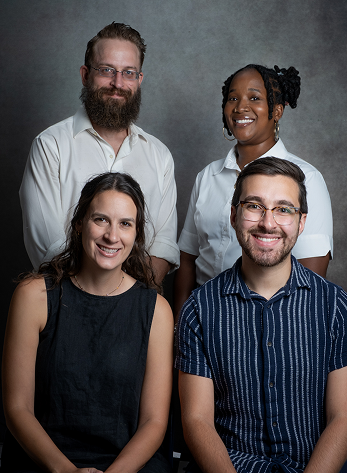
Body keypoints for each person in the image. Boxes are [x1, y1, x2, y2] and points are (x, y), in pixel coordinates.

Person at [175, 157, 347, 473]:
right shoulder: (199, 310)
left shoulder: (336, 307)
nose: (268, 223)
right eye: (254, 206)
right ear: (233, 214)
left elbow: (343, 419)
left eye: (284, 209)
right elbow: (196, 421)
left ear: (302, 221)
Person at [2, 172, 174, 473]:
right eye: (101, 219)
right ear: (80, 222)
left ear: (136, 235)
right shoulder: (33, 297)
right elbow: (17, 409)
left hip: (127, 466)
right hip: (44, 463)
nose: (112, 235)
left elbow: (154, 422)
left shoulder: (156, 310)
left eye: (125, 224)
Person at [19, 22, 179, 284]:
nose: (118, 83)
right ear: (85, 75)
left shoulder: (159, 155)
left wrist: (132, 302)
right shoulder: (50, 146)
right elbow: (49, 248)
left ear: (139, 80)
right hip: (67, 302)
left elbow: (161, 245)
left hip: (138, 306)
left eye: (128, 73)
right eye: (106, 70)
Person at [174, 64, 332, 319]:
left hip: (267, 319)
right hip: (201, 316)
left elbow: (311, 279)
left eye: (255, 98)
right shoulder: (207, 177)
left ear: (277, 111)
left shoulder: (307, 179)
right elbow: (188, 259)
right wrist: (181, 328)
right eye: (233, 98)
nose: (240, 107)